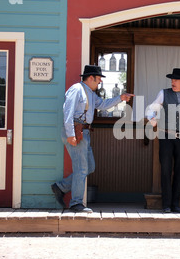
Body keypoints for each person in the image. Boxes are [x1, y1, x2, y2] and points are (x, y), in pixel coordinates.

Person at [51, 65, 134, 213]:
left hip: (84, 132)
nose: (100, 82)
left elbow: (103, 105)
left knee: (89, 167)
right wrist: (71, 134)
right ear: (91, 78)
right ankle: (76, 203)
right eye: (98, 79)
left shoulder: (89, 92)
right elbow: (68, 112)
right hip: (76, 131)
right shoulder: (77, 89)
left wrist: (120, 98)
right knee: (81, 169)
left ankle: (61, 187)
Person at [146, 68, 180, 213]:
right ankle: (166, 205)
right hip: (165, 136)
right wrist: (152, 119)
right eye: (172, 79)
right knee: (165, 169)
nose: (172, 82)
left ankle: (175, 203)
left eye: (176, 80)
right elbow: (151, 109)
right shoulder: (163, 93)